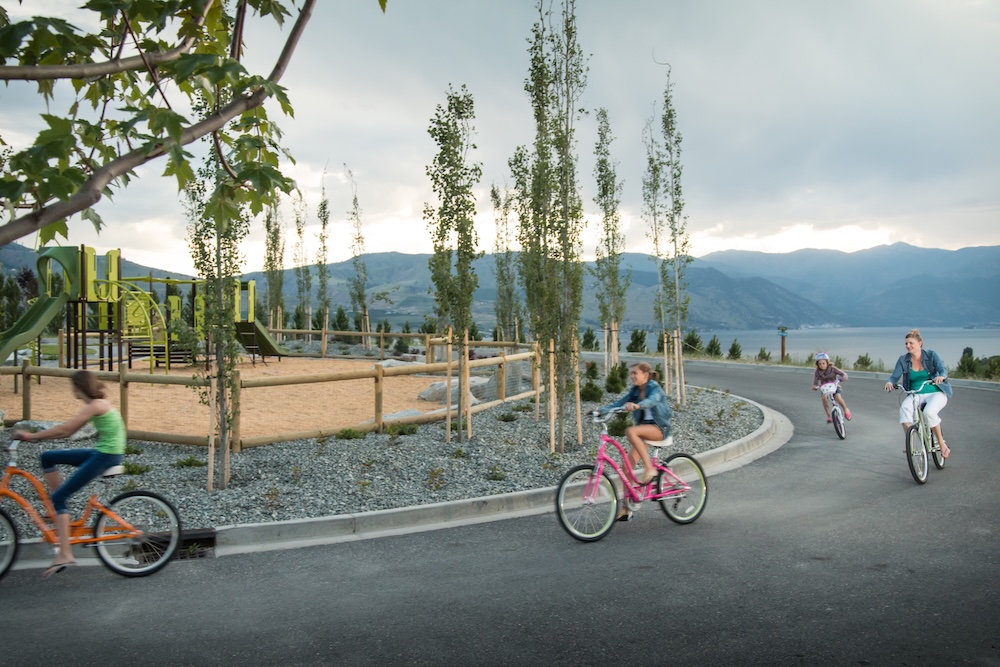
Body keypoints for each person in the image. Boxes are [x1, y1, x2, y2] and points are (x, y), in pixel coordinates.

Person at [12, 370, 126, 578]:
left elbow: (66, 431)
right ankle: (59, 510)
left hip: (107, 455)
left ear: (78, 387)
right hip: (103, 451)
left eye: (72, 386)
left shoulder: (95, 405)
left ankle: (65, 553)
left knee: (59, 497)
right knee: (48, 457)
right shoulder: (96, 404)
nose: (71, 390)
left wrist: (31, 436)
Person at [598, 361, 672, 488]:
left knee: (631, 431)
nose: (632, 376)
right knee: (626, 467)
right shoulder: (635, 391)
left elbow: (652, 400)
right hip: (644, 429)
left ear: (645, 375)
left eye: (635, 373)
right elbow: (619, 403)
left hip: (659, 428)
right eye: (631, 374)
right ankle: (629, 505)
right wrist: (599, 411)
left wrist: (638, 405)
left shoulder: (655, 388)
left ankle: (649, 468)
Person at [884, 328, 953, 459]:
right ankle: (911, 442)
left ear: (920, 343)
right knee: (904, 411)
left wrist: (941, 377)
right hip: (915, 393)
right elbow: (894, 376)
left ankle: (942, 444)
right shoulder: (903, 360)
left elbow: (942, 370)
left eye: (911, 343)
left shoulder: (931, 355)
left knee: (929, 412)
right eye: (906, 344)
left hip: (935, 392)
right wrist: (890, 382)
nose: (908, 346)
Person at [812, 352, 851, 422]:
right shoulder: (817, 372)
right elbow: (815, 381)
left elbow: (843, 374)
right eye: (819, 364)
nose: (822, 365)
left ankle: (846, 410)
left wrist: (844, 378)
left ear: (827, 362)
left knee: (838, 398)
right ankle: (829, 416)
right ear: (817, 364)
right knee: (824, 399)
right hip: (825, 389)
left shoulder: (832, 369)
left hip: (834, 386)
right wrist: (814, 386)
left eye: (823, 363)